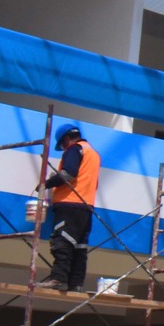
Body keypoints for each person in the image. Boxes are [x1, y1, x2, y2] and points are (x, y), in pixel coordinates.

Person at [38, 125, 99, 292]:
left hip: (69, 203)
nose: (64, 148)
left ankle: (58, 278)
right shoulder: (93, 154)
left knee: (62, 242)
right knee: (79, 247)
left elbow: (67, 174)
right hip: (86, 206)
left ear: (66, 139)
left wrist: (46, 184)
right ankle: (75, 283)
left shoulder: (74, 149)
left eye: (63, 145)